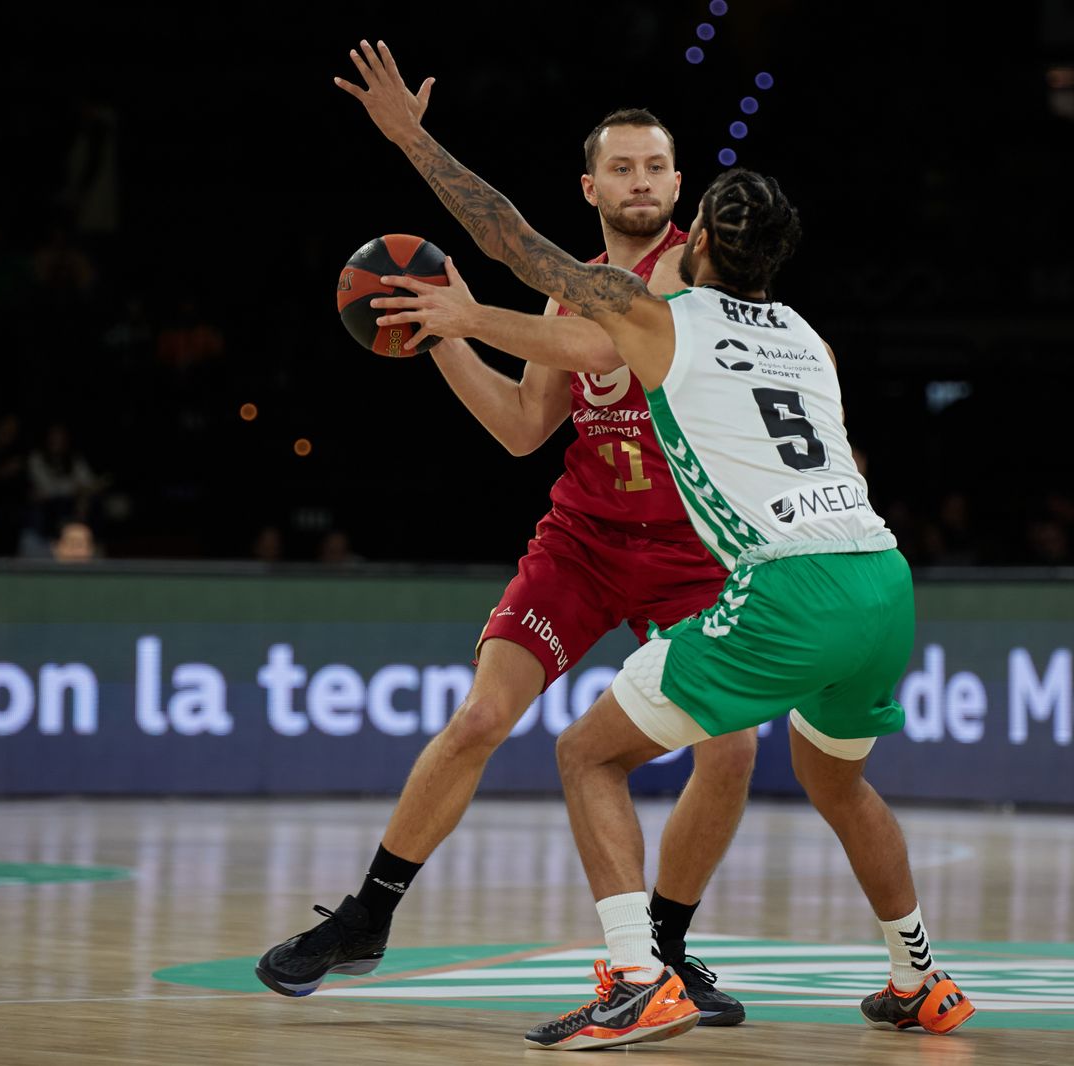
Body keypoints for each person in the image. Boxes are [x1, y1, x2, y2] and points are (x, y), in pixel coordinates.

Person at [332, 41, 976, 1050]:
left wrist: (447, 275)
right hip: (878, 576)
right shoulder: (806, 335)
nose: (645, 189)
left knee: (586, 753)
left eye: (665, 180)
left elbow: (509, 242)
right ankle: (922, 980)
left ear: (695, 235)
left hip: (774, 586)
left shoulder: (656, 313)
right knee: (838, 781)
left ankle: (641, 974)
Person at [255, 103, 757, 1027]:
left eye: (657, 167)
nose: (641, 181)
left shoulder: (701, 268)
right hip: (586, 539)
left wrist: (464, 299)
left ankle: (667, 951)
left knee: (732, 747)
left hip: (693, 549)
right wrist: (441, 338)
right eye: (624, 168)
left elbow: (606, 339)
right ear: (593, 188)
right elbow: (526, 429)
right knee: (483, 714)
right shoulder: (566, 290)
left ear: (679, 186)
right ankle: (368, 914)